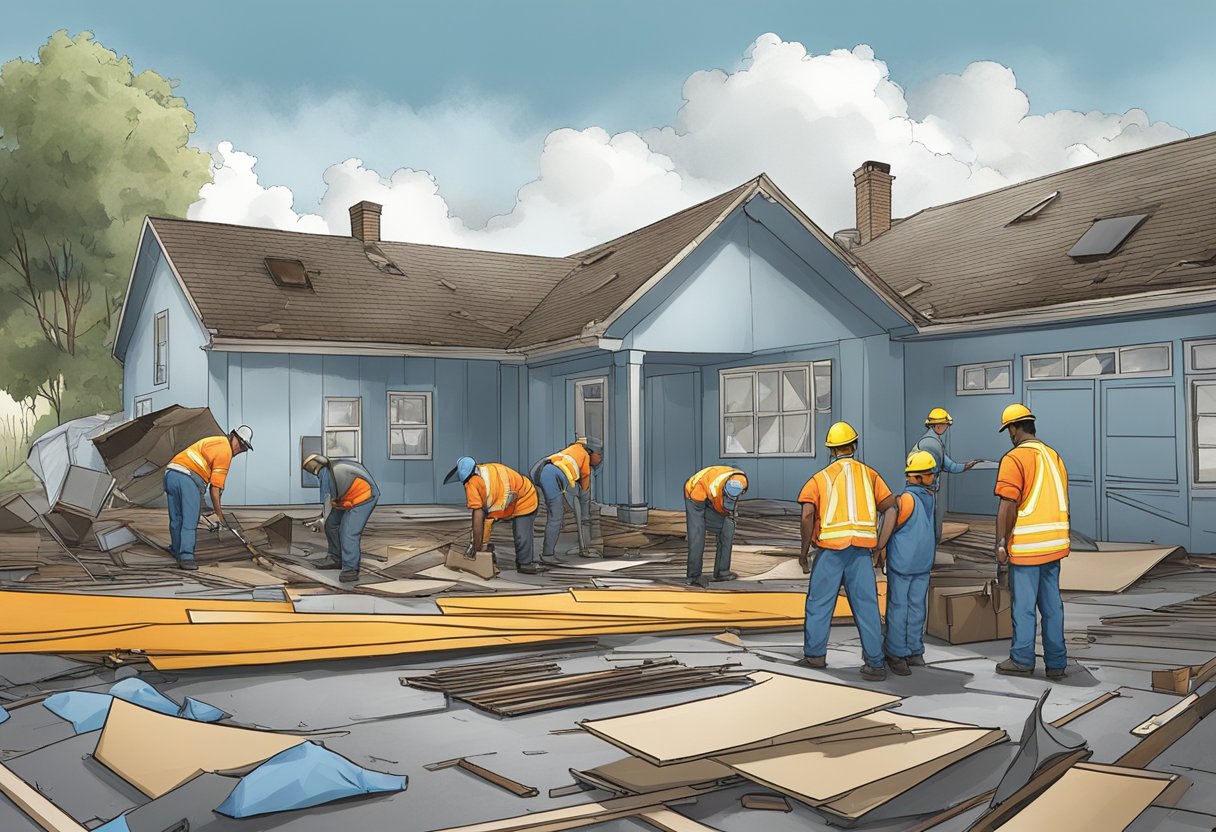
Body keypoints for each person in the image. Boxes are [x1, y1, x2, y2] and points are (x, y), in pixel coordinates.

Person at [796, 421, 895, 681]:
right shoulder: (870, 476)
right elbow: (891, 508)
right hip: (861, 553)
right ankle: (875, 663)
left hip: (829, 552)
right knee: (867, 607)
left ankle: (815, 656)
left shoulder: (819, 479)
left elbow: (807, 515)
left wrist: (804, 551)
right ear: (855, 445)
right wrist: (880, 545)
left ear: (831, 450)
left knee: (819, 604)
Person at [993, 403, 1070, 679]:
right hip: (1054, 545)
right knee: (1052, 607)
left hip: (1027, 547)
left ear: (1013, 429)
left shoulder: (1015, 458)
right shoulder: (1054, 456)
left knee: (1024, 607)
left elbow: (1008, 505)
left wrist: (1002, 542)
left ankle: (1023, 659)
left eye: (1009, 430)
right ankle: (1057, 663)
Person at [879, 450, 938, 676]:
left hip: (902, 563)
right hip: (923, 563)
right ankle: (915, 651)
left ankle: (896, 653)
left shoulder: (903, 500)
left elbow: (888, 527)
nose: (933, 478)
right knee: (916, 608)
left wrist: (878, 548)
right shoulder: (929, 498)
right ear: (920, 477)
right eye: (930, 474)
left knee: (898, 608)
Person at [162, 426, 254, 571]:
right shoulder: (226, 452)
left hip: (171, 473)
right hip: (188, 478)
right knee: (190, 520)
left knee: (176, 518)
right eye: (241, 446)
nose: (240, 450)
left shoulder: (216, 441)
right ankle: (186, 557)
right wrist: (219, 515)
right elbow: (215, 489)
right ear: (234, 437)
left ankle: (176, 549)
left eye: (244, 449)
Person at [445, 456, 545, 575]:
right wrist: (477, 544)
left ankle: (525, 564)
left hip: (526, 497)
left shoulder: (493, 495)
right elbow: (478, 514)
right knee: (483, 530)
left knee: (521, 534)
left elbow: (482, 519)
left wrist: (478, 547)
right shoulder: (476, 477)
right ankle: (486, 552)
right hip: (508, 497)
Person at [301, 454, 380, 583]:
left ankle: (350, 569)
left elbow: (327, 498)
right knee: (331, 524)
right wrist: (324, 519)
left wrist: (323, 518)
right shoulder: (330, 469)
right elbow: (332, 497)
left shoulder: (325, 473)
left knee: (348, 532)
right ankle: (335, 559)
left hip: (364, 496)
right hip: (346, 497)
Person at [530, 437, 604, 562]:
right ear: (591, 452)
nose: (601, 458)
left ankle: (551, 551)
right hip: (551, 475)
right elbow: (584, 496)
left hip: (540, 469)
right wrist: (585, 517)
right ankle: (547, 555)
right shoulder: (585, 460)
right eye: (600, 455)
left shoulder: (575, 450)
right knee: (556, 516)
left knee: (556, 511)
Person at [914, 408, 982, 543]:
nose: (946, 428)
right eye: (946, 425)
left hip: (927, 487)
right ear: (938, 425)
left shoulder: (933, 440)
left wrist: (966, 465)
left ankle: (930, 544)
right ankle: (928, 547)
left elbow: (949, 465)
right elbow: (936, 468)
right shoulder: (931, 443)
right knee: (929, 519)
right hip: (926, 488)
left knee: (931, 518)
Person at [683, 466, 748, 586]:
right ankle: (694, 575)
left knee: (728, 527)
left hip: (713, 497)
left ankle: (722, 572)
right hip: (695, 498)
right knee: (697, 533)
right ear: (723, 490)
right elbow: (716, 506)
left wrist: (728, 513)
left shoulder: (741, 482)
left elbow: (726, 508)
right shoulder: (705, 488)